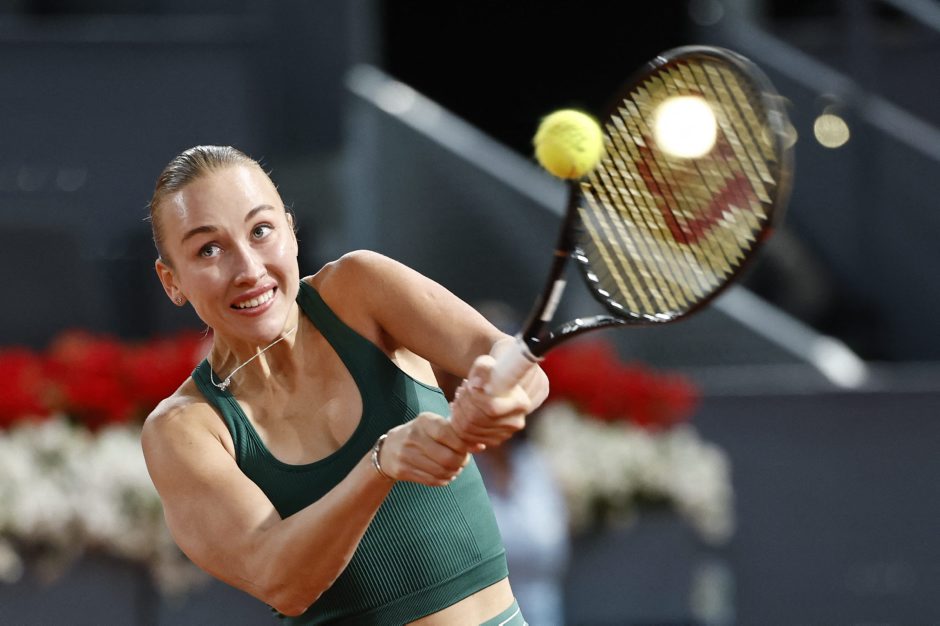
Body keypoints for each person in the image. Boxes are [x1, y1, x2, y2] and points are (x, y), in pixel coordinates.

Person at [140, 145, 549, 625]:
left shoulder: (360, 288)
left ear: (291, 231)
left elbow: (510, 359)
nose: (249, 270)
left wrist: (501, 392)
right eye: (209, 249)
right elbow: (282, 581)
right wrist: (380, 465)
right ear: (172, 281)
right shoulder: (183, 431)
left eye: (261, 231)